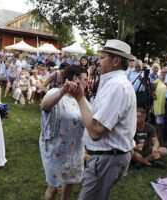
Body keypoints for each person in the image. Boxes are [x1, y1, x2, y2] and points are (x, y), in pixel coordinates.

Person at [70, 39, 137, 200]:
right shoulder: (111, 82)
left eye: (102, 57)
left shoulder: (116, 86)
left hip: (108, 158)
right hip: (107, 157)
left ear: (116, 61)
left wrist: (79, 98)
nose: (98, 61)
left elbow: (96, 131)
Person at [39, 65, 88, 200]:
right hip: (56, 149)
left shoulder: (81, 99)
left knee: (70, 181)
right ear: (75, 78)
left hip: (75, 149)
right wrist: (62, 92)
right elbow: (44, 106)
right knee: (54, 187)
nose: (87, 82)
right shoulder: (55, 92)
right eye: (85, 79)